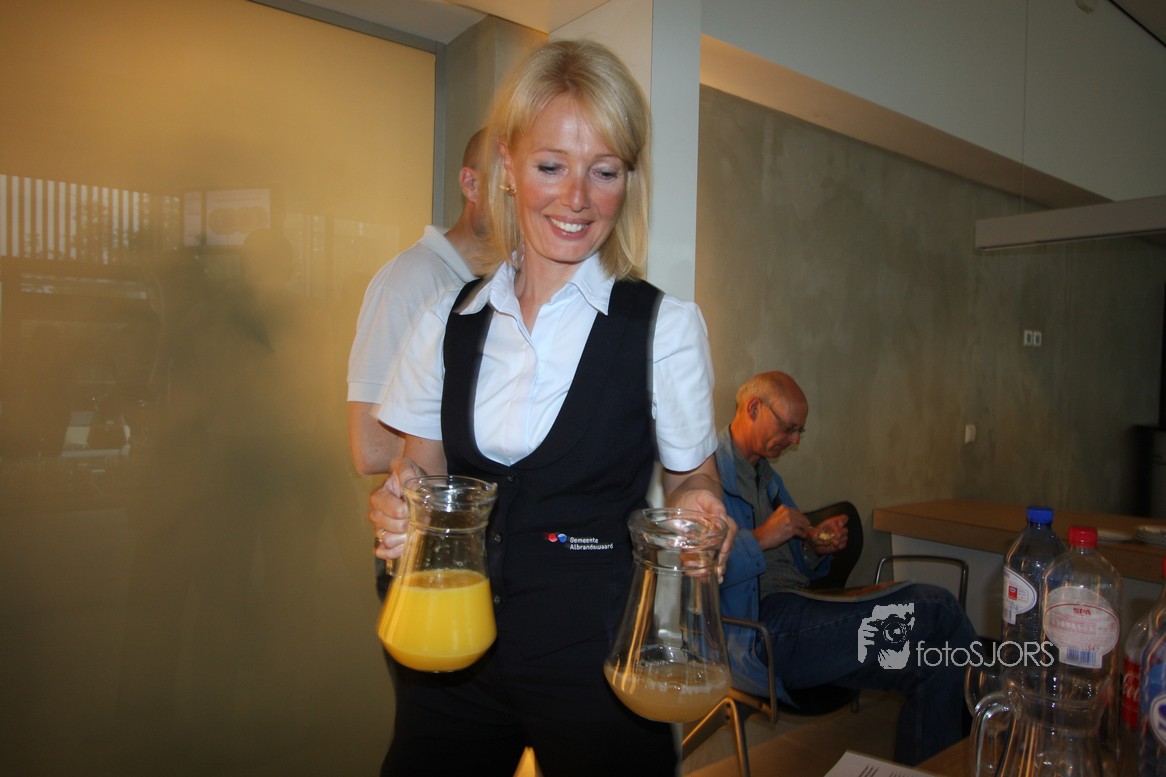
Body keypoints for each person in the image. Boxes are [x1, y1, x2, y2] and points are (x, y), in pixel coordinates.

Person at [367, 40, 733, 777]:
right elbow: (417, 467)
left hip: (597, 664)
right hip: (452, 651)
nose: (577, 199)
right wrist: (398, 498)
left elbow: (693, 480)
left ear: (628, 179)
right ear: (506, 166)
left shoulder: (663, 328)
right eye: (550, 166)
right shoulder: (446, 320)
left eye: (604, 171)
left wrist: (702, 508)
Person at [717, 371, 976, 765]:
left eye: (800, 431)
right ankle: (1003, 729)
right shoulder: (706, 475)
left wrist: (815, 545)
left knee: (934, 664)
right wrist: (763, 537)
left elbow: (796, 564)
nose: (795, 440)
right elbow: (695, 571)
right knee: (936, 608)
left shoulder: (767, 478)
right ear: (753, 408)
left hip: (799, 614)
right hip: (760, 632)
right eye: (789, 428)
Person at [347, 128, 493, 478]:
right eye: (508, 187)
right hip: (437, 507)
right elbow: (372, 450)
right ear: (471, 185)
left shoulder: (511, 284)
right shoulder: (411, 280)